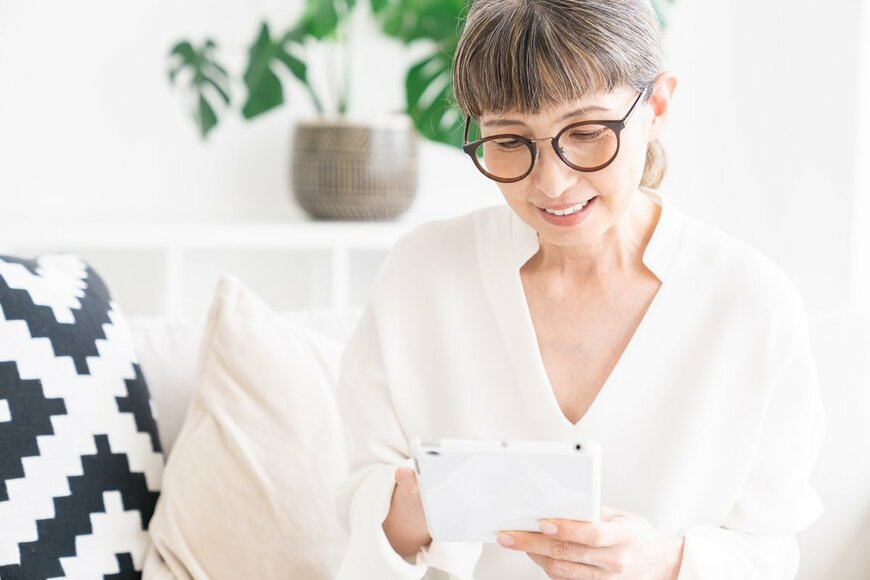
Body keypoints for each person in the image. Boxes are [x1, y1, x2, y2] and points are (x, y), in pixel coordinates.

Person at [335, 0, 825, 578]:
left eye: (588, 132)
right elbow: (361, 511)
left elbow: (772, 551)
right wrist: (424, 504)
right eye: (511, 141)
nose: (551, 182)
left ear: (657, 106)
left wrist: (665, 562)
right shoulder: (423, 275)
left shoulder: (748, 302)